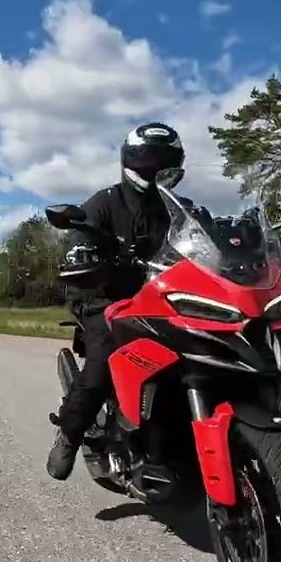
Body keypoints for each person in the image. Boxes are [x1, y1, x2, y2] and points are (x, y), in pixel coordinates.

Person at [46, 121, 186, 482]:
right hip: (103, 296)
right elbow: (78, 243)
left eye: (164, 163)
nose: (155, 170)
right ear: (130, 163)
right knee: (104, 360)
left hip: (163, 300)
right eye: (148, 162)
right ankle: (69, 435)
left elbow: (210, 238)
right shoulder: (104, 203)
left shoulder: (180, 208)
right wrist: (86, 254)